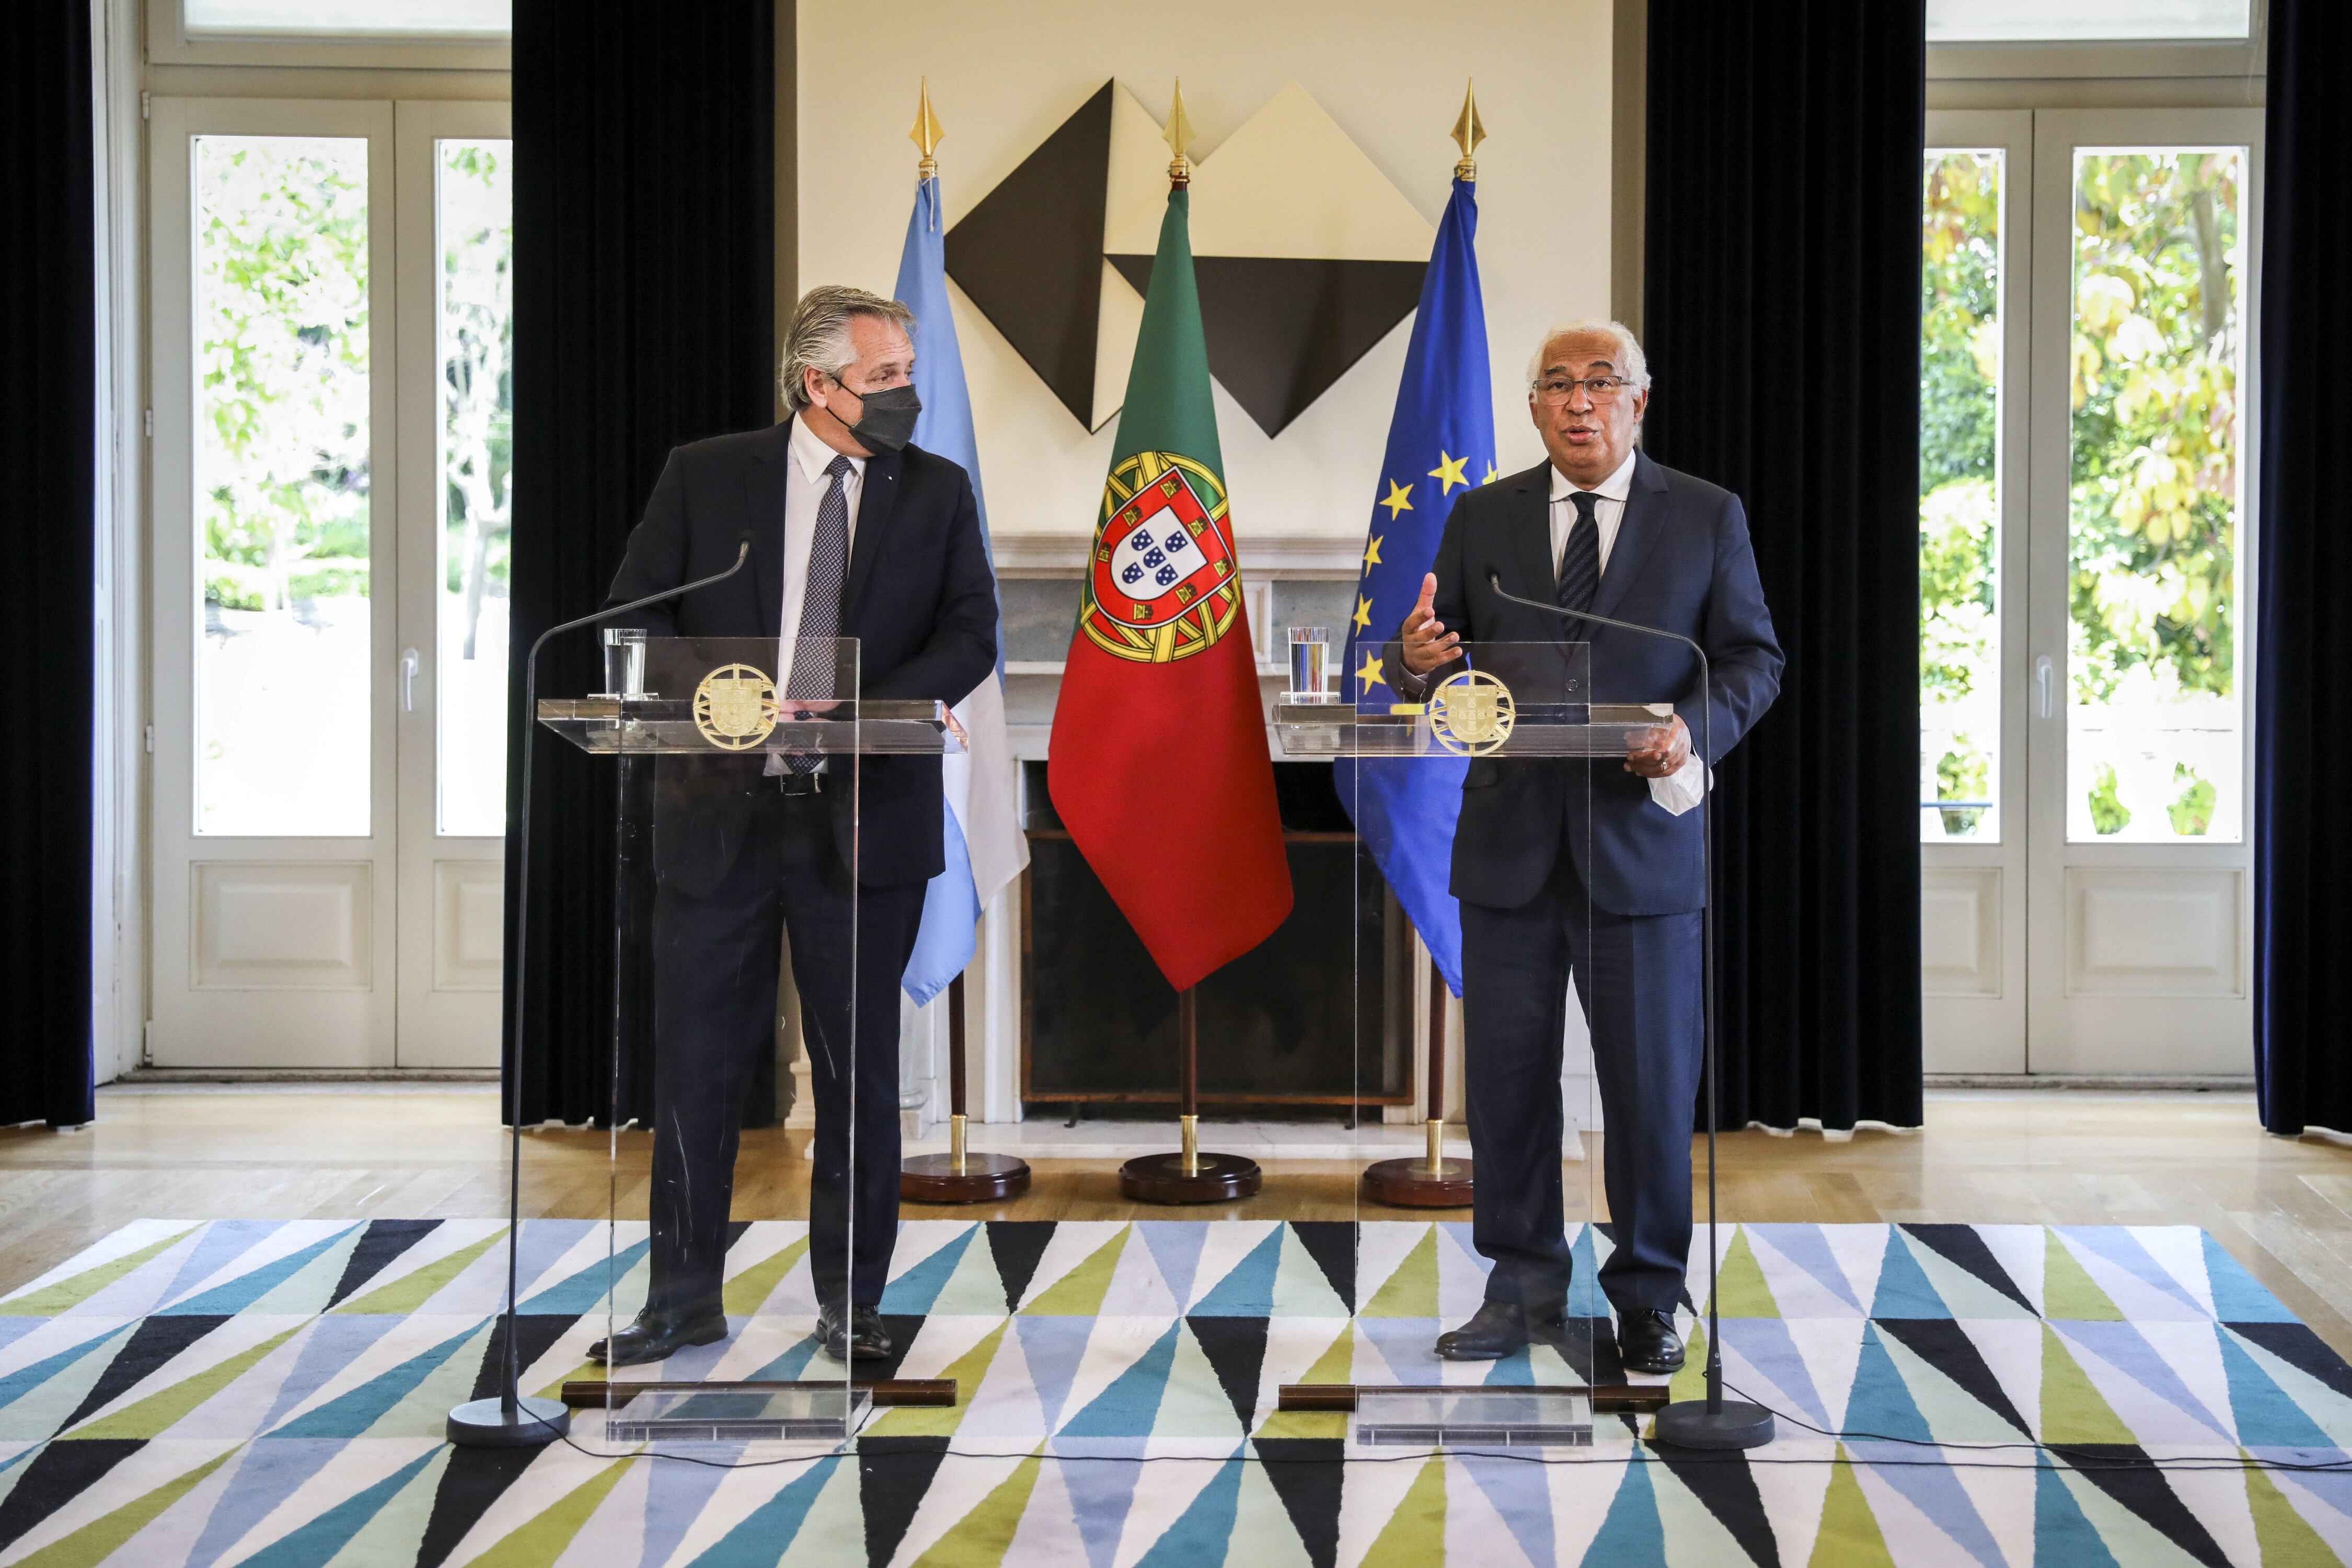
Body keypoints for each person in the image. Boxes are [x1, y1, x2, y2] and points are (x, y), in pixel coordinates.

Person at [589, 285, 998, 1366]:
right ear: (819, 386)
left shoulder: (939, 492)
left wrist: (862, 711)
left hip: (862, 822)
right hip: (720, 816)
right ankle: (681, 1299)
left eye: (910, 374)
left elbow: (973, 634)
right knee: (699, 1069)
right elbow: (634, 614)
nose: (907, 394)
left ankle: (852, 1306)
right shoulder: (707, 475)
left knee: (858, 1076)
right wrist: (719, 690)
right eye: (887, 379)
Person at [1390, 320, 1781, 1374]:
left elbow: (1752, 659)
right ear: (1534, 409)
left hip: (1640, 851)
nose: (1579, 402)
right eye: (1557, 384)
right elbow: (1430, 657)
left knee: (1649, 1090)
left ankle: (1649, 1295)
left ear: (1638, 402)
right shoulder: (1483, 517)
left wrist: (1692, 730)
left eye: (1601, 382)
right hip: (1511, 851)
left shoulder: (1704, 517)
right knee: (1510, 1089)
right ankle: (1520, 1289)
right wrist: (1416, 657)